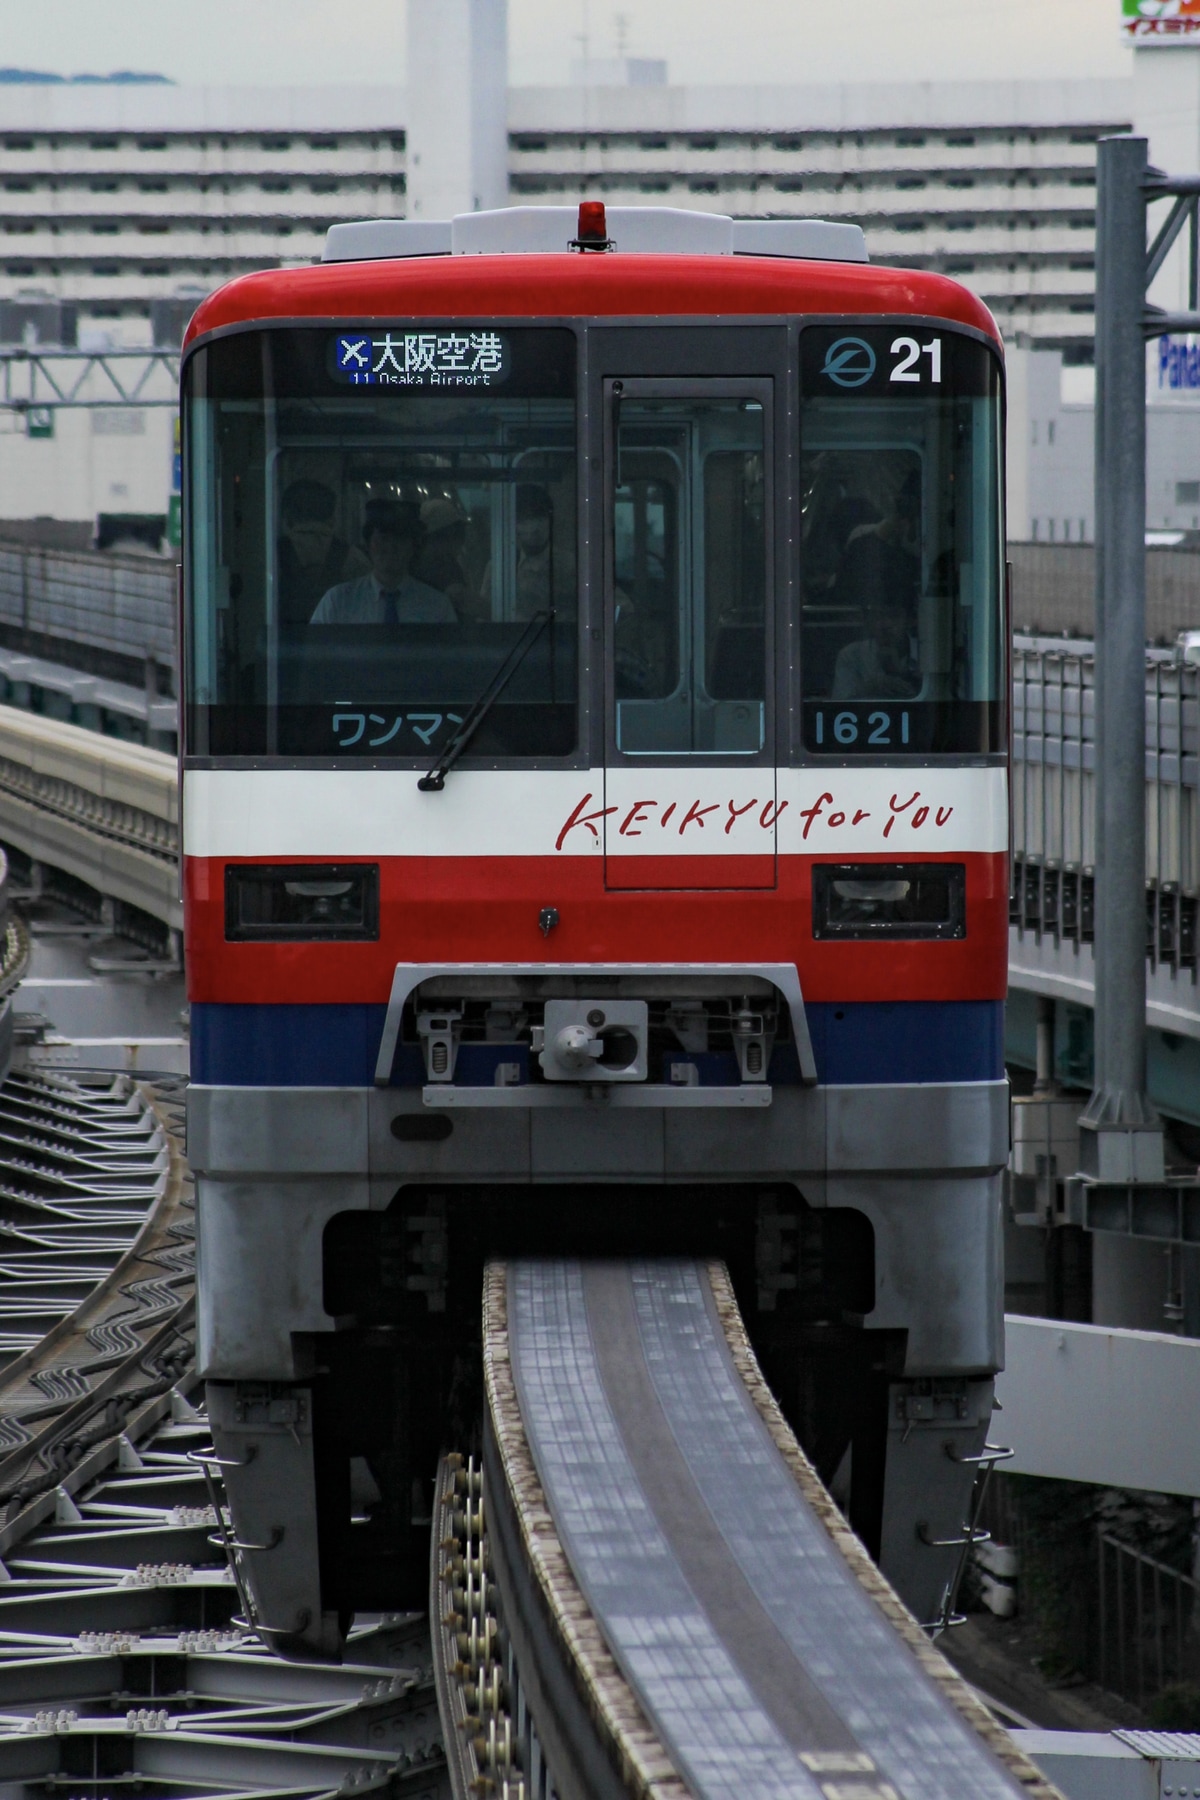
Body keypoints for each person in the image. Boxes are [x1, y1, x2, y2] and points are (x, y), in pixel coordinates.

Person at [310, 498, 456, 624]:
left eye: (400, 539)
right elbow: (315, 653)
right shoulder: (337, 602)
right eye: (383, 538)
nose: (390, 547)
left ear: (414, 546)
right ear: (368, 544)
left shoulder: (437, 607)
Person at [277, 480, 352, 627]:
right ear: (332, 518)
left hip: (283, 646)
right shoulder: (353, 559)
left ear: (286, 518)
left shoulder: (269, 557)